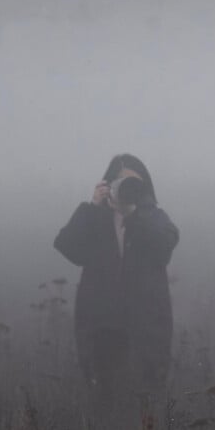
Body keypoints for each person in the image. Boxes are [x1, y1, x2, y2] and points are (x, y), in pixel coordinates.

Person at [54, 154, 179, 415]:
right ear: (108, 184)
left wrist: (132, 216)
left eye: (134, 183)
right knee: (103, 400)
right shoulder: (95, 219)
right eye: (120, 181)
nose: (127, 188)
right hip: (101, 325)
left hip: (146, 325)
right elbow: (68, 246)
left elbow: (163, 248)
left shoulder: (154, 217)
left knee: (147, 398)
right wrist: (91, 206)